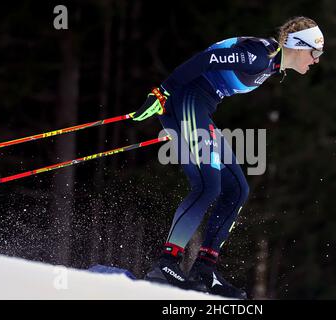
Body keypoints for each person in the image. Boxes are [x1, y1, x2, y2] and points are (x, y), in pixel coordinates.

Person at [131, 16, 324, 299]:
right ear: (297, 45)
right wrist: (162, 92)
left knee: (237, 189)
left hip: (198, 109)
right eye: (315, 52)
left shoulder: (271, 64)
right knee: (208, 186)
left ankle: (204, 270)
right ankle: (166, 264)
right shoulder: (258, 54)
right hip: (187, 101)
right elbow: (205, 60)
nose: (317, 60)